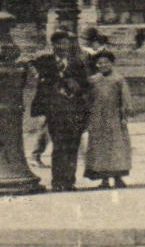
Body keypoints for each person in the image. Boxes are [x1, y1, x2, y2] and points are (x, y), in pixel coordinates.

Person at [32, 31, 91, 191]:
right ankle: (58, 181)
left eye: (65, 44)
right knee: (58, 145)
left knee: (73, 144)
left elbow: (86, 85)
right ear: (53, 46)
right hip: (55, 111)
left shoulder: (77, 63)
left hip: (74, 110)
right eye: (58, 44)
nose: (62, 47)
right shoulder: (45, 62)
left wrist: (77, 86)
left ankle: (69, 181)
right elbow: (38, 76)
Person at [84, 50, 132, 189]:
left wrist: (124, 115)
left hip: (114, 118)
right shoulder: (92, 80)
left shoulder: (118, 79)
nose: (103, 65)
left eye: (106, 62)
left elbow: (125, 99)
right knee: (100, 148)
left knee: (117, 147)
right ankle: (103, 179)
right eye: (99, 63)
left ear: (112, 63)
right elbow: (87, 99)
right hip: (98, 118)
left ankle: (118, 178)